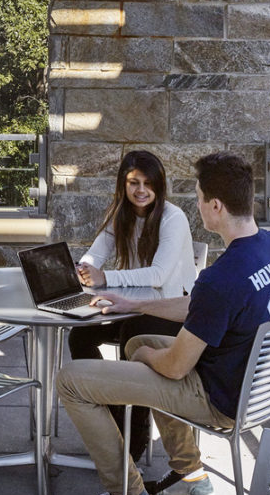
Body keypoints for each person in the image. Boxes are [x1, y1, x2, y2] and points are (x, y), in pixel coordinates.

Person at [57, 151, 270, 495]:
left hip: (219, 400)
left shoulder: (222, 278)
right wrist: (136, 306)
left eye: (200, 197)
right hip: (264, 388)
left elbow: (175, 367)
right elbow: (200, 308)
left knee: (72, 379)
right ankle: (190, 475)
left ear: (216, 205)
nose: (198, 205)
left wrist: (141, 357)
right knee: (141, 337)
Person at [67, 150, 197, 458]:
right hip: (133, 304)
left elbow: (158, 275)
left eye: (148, 183)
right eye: (133, 182)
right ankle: (113, 415)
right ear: (123, 185)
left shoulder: (172, 218)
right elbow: (95, 254)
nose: (141, 190)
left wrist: (105, 277)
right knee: (80, 335)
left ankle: (134, 442)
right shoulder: (120, 213)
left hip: (172, 310)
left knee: (133, 340)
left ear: (159, 185)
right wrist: (83, 268)